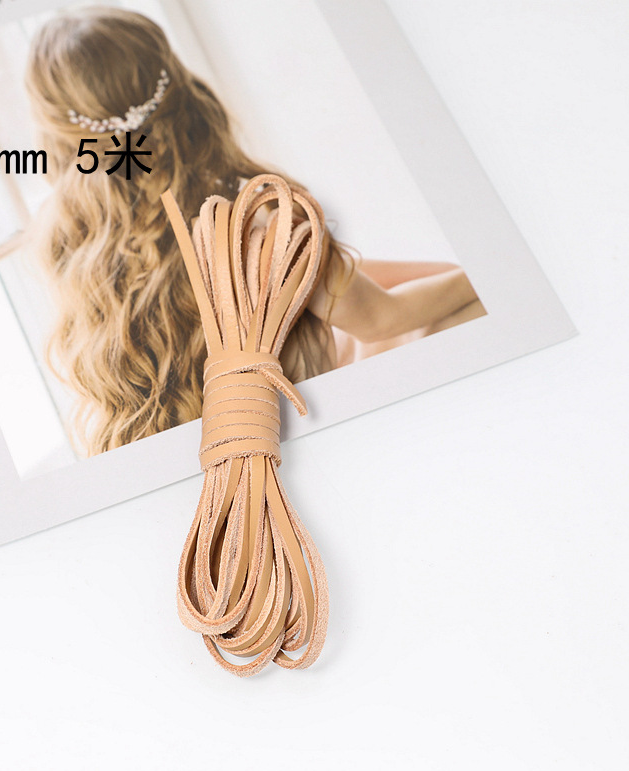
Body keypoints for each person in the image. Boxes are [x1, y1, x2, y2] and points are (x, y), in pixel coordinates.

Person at [24, 6, 484, 457]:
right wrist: (486, 273)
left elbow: (316, 282)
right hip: (284, 439)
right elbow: (381, 318)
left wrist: (346, 269)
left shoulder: (67, 240)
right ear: (176, 86)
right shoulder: (249, 217)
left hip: (171, 454)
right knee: (468, 305)